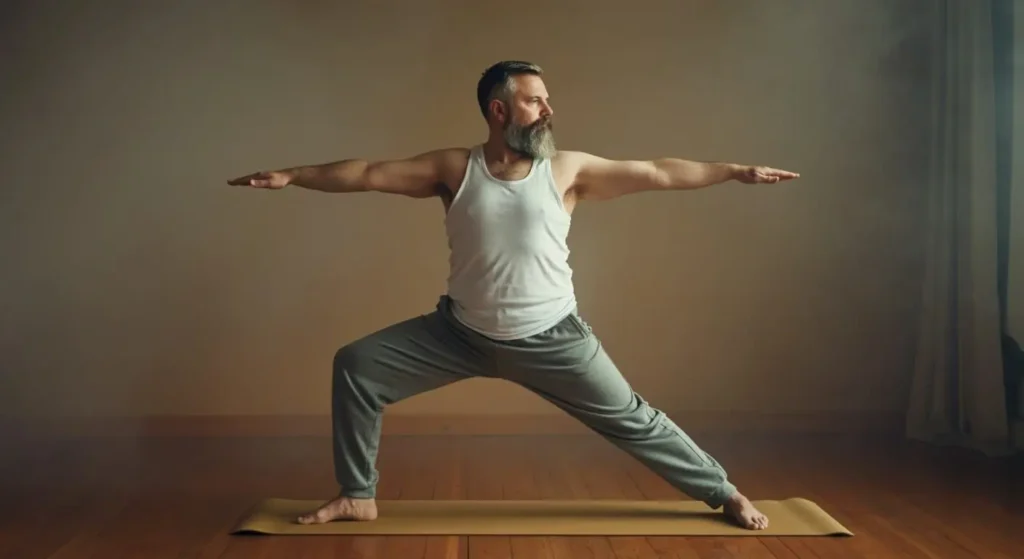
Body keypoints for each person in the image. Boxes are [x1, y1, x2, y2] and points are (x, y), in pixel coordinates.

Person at [227, 60, 799, 531]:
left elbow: (656, 171)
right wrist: (293, 174)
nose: (548, 111)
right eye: (535, 101)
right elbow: (369, 172)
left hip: (553, 338)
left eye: (547, 100)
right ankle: (358, 494)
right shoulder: (456, 168)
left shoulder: (566, 170)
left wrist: (733, 171)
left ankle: (723, 492)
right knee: (356, 367)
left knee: (635, 420)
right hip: (458, 335)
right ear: (499, 111)